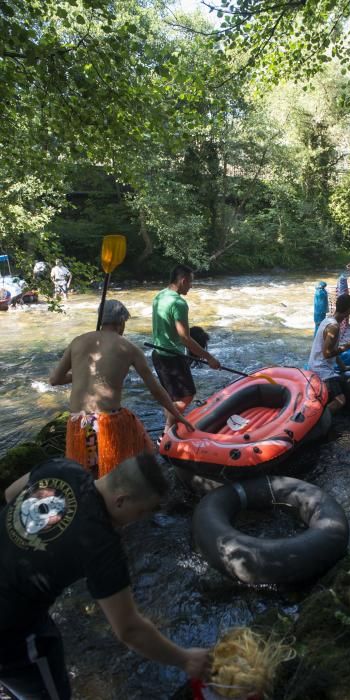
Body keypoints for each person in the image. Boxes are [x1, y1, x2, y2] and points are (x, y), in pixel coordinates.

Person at [0, 453, 212, 699]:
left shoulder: (62, 466)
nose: (138, 520)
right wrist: (186, 660)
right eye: (141, 512)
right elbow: (130, 630)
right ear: (121, 500)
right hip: (11, 631)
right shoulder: (101, 545)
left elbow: (10, 493)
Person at [49, 299, 194, 478]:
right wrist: (179, 416)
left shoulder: (77, 341)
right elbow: (156, 390)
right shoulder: (128, 348)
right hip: (108, 423)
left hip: (78, 422)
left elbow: (54, 380)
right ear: (121, 322)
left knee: (86, 475)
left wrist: (81, 373)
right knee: (141, 451)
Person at [152, 264, 221, 434]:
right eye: (190, 282)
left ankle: (170, 428)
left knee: (171, 397)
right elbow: (184, 337)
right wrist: (209, 357)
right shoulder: (178, 303)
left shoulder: (160, 296)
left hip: (158, 354)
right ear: (183, 281)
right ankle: (167, 432)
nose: (191, 286)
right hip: (172, 357)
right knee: (187, 395)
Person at [307, 294, 350, 414]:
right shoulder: (334, 327)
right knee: (340, 400)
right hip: (321, 370)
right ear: (349, 310)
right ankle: (319, 419)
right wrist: (348, 346)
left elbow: (331, 350)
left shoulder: (328, 320)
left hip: (315, 365)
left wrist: (343, 368)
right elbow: (327, 354)